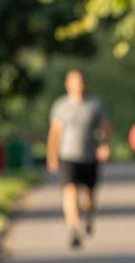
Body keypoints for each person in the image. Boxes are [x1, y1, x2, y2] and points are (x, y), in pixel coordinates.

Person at [47, 69, 112, 249]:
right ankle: (74, 228)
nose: (79, 85)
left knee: (89, 196)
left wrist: (105, 145)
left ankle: (89, 216)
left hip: (90, 155)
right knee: (70, 191)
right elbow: (55, 133)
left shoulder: (95, 104)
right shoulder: (61, 106)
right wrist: (52, 155)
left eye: (81, 81)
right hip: (68, 155)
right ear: (68, 84)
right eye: (75, 82)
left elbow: (106, 127)